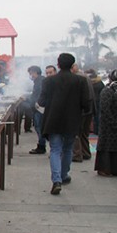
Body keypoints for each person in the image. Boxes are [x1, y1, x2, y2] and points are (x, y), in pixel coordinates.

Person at [38, 53, 90, 195]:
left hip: (53, 120)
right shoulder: (80, 81)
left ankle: (56, 180)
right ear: (73, 65)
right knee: (67, 149)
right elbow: (86, 104)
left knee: (55, 149)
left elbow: (41, 102)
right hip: (72, 121)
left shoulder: (49, 81)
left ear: (58, 64)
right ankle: (63, 175)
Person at [94, 69, 117, 176]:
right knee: (108, 147)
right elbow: (105, 110)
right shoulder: (107, 91)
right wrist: (114, 123)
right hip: (109, 127)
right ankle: (105, 169)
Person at [71, 63, 96, 162]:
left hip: (81, 110)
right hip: (89, 109)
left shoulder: (77, 78)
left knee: (76, 133)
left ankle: (77, 154)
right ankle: (86, 152)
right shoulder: (85, 76)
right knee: (84, 133)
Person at [27, 66, 47, 154]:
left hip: (39, 109)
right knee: (39, 127)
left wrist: (35, 103)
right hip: (38, 108)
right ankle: (41, 145)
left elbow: (39, 95)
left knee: (40, 128)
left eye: (31, 73)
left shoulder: (40, 81)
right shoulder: (38, 81)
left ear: (35, 72)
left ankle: (41, 147)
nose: (30, 75)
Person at [86, 69, 105, 135]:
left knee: (92, 116)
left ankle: (93, 129)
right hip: (98, 100)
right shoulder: (100, 82)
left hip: (91, 101)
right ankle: (97, 130)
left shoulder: (88, 82)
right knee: (97, 116)